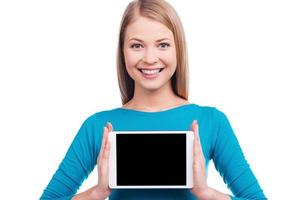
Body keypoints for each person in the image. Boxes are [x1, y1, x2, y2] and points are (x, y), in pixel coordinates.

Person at [40, 0, 267, 199]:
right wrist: (97, 193)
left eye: (163, 45)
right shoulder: (98, 126)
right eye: (137, 45)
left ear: (178, 49)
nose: (149, 58)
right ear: (123, 51)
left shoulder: (211, 121)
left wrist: (206, 193)